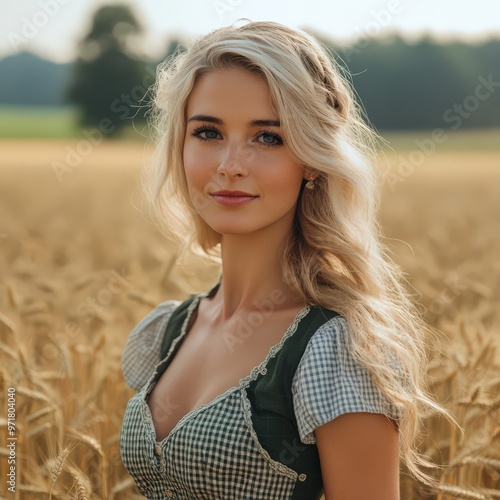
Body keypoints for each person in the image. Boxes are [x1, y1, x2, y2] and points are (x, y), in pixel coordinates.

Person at [119, 20, 459, 499]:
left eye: (268, 138)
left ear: (313, 162)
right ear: (181, 145)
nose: (230, 164)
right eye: (208, 132)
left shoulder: (335, 350)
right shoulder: (170, 329)